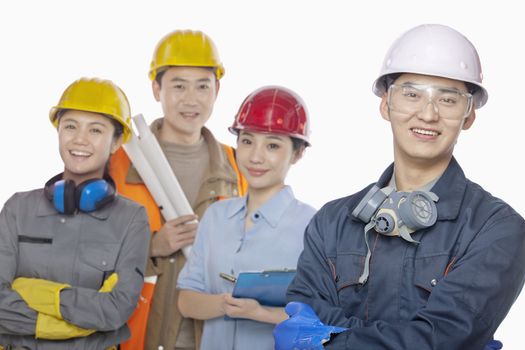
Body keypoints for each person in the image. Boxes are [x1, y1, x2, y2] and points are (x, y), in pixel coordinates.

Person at [279, 24, 525, 349]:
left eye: (448, 100)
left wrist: (332, 340)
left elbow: (445, 338)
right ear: (386, 104)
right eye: (412, 94)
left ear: (468, 116)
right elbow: (303, 314)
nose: (428, 113)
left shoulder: (496, 230)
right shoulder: (332, 222)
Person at [109, 29, 247, 350]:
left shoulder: (238, 165)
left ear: (217, 89)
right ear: (156, 89)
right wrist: (152, 247)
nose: (191, 99)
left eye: (202, 86)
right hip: (137, 335)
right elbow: (86, 254)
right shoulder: (118, 163)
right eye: (178, 85)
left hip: (213, 336)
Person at [0, 77, 150, 349]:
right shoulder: (17, 209)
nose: (80, 139)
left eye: (95, 130)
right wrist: (78, 321)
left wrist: (28, 292)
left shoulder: (132, 219)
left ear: (116, 142)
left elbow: (117, 309)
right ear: (58, 131)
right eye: (70, 126)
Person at [177, 86, 317, 349]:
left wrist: (258, 312)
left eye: (273, 145)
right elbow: (186, 300)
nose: (255, 156)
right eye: (247, 141)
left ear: (297, 153)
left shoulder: (313, 226)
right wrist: (224, 303)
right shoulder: (216, 216)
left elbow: (319, 318)